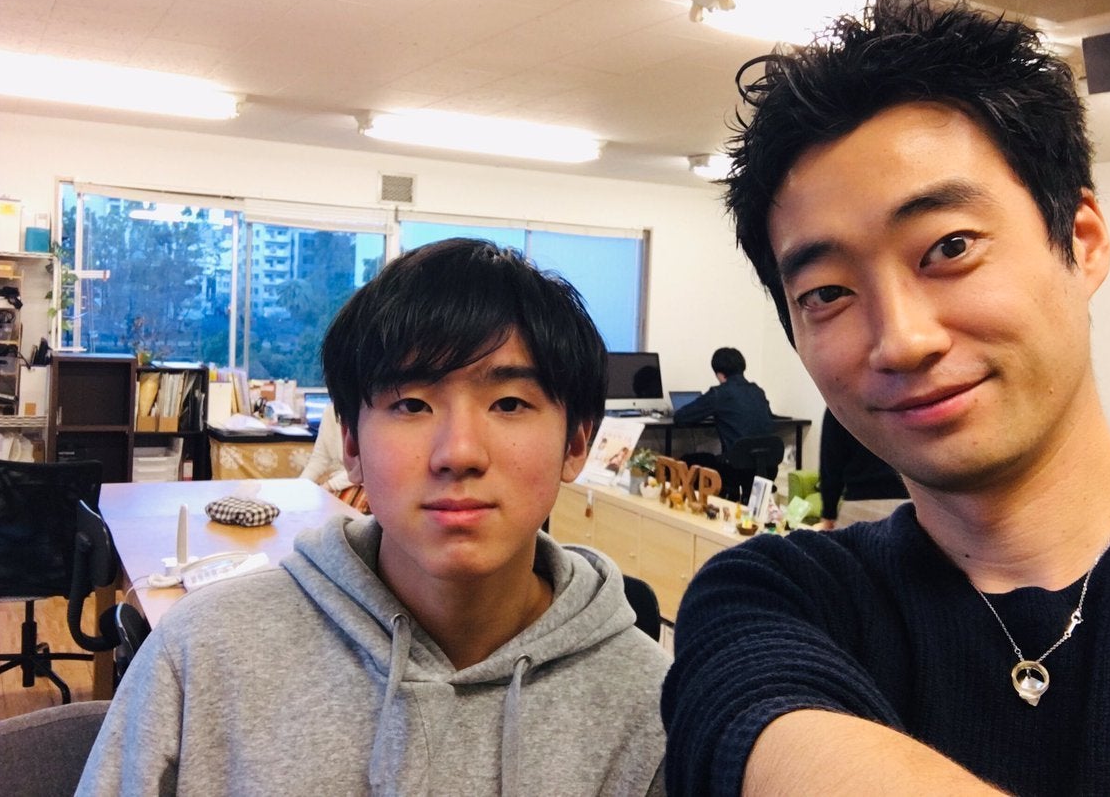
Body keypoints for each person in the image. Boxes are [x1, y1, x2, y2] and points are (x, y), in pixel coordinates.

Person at [661, 0, 1110, 796]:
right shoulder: (781, 597)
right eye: (827, 293)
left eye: (949, 247)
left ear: (1081, 242)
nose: (902, 340)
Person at [80, 238, 669, 796]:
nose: (459, 452)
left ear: (577, 443)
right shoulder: (202, 653)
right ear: (352, 445)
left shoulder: (655, 709)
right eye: (411, 404)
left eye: (509, 403)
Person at [675, 347, 775, 501]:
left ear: (719, 374)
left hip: (736, 468)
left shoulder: (719, 393)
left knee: (686, 460)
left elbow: (681, 418)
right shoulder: (757, 391)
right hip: (768, 466)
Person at [816, 406, 907, 529]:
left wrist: (828, 514)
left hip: (858, 505)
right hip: (911, 504)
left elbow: (830, 467)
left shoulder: (841, 401)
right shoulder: (912, 401)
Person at [300, 401, 369, 512]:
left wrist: (329, 486)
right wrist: (300, 485)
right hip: (338, 483)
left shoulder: (367, 409)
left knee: (325, 512)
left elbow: (366, 467)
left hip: (363, 484)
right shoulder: (330, 410)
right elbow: (319, 459)